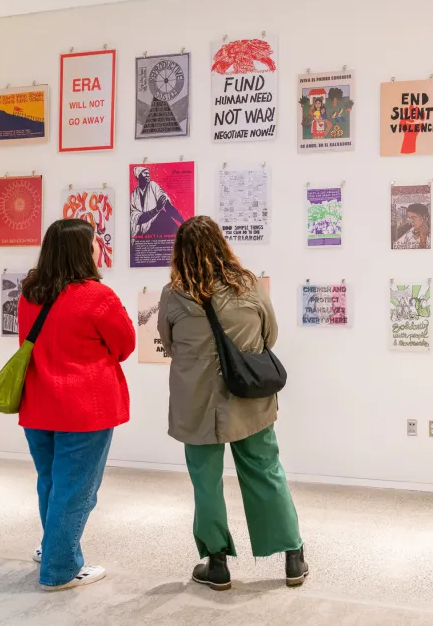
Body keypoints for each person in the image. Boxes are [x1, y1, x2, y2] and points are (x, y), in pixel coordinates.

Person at [158, 216, 308, 591]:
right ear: (222, 245)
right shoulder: (249, 285)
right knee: (265, 470)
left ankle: (217, 563)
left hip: (196, 403)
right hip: (249, 399)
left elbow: (168, 342)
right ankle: (292, 556)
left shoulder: (173, 294)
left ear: (180, 252)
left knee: (205, 482)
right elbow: (269, 335)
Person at [18, 218, 136, 591]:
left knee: (51, 482)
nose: (99, 246)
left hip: (38, 404)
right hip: (85, 409)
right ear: (83, 251)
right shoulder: (97, 296)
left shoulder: (30, 293)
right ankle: (60, 568)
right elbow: (125, 345)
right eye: (95, 241)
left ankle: (51, 546)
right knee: (77, 489)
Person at [130, 167, 185, 238]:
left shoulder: (153, 185)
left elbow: (167, 206)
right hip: (143, 231)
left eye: (148, 174)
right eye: (145, 173)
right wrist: (156, 209)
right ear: (139, 175)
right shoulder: (134, 195)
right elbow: (137, 219)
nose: (148, 175)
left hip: (157, 224)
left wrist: (182, 221)